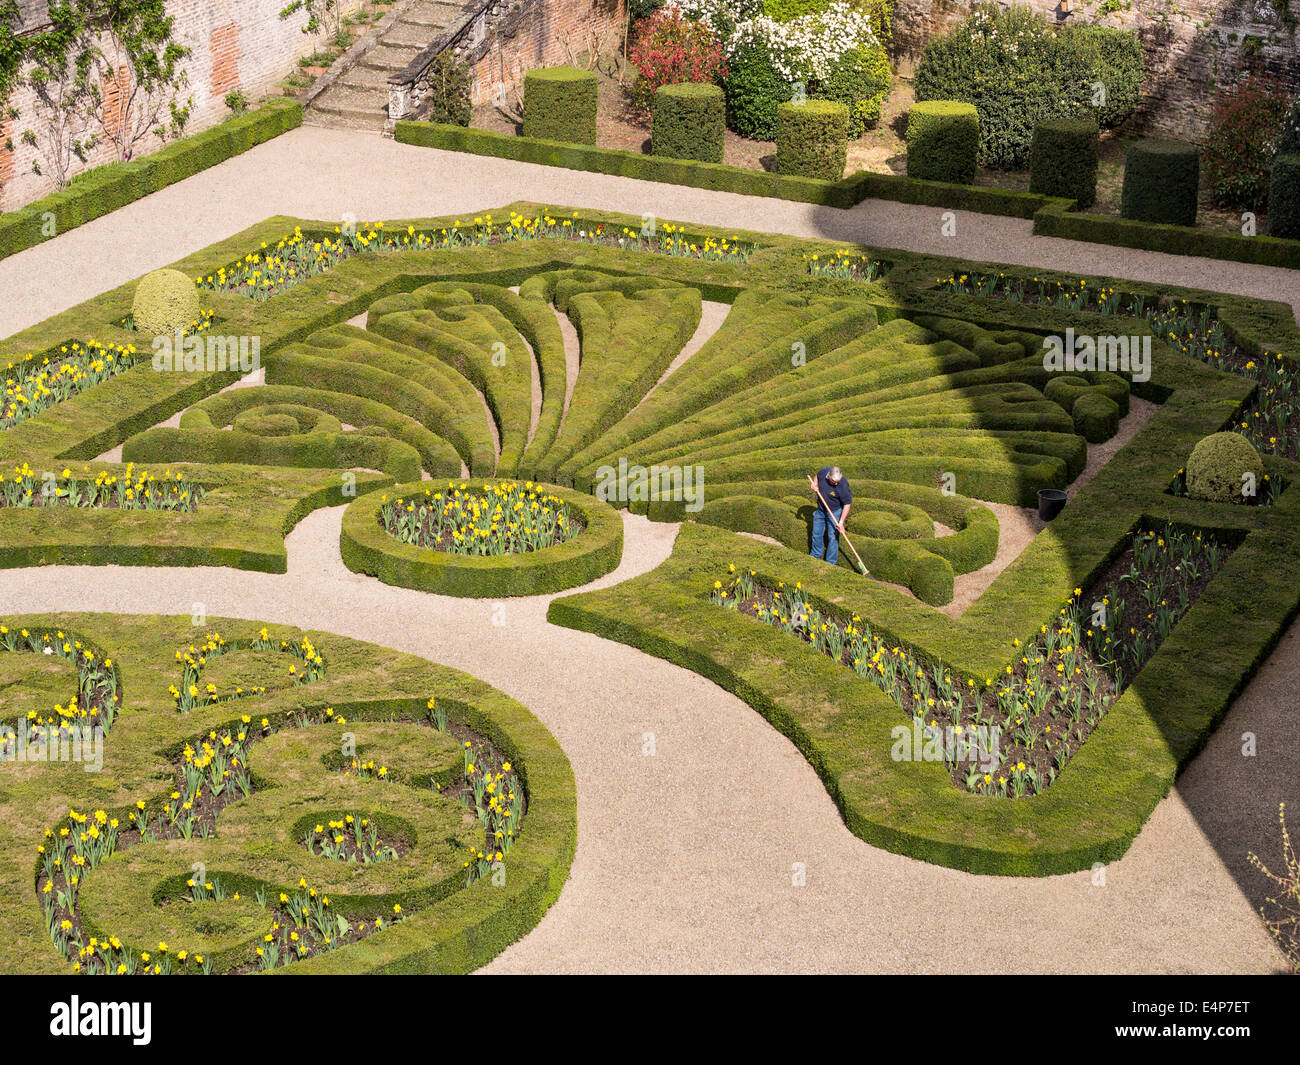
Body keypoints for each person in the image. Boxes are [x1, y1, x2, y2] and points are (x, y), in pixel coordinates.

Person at [808, 466, 852, 566]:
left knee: (833, 537)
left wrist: (841, 522)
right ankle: (815, 555)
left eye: (838, 481)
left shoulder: (843, 485)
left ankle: (830, 563)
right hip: (820, 509)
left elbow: (847, 504)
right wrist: (814, 484)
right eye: (834, 481)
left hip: (835, 512)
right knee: (816, 534)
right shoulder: (824, 471)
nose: (836, 483)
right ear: (828, 476)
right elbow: (817, 476)